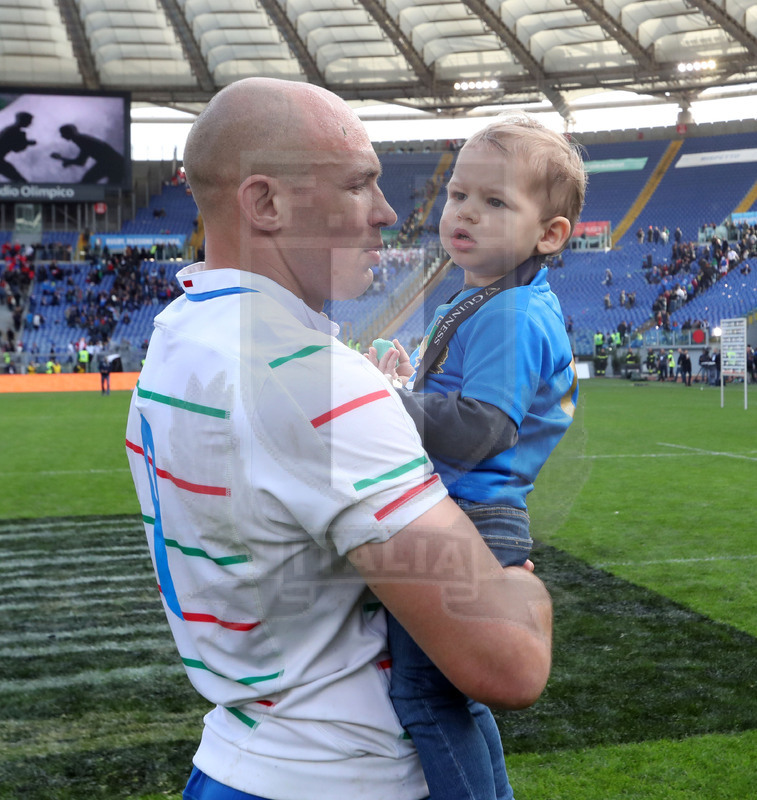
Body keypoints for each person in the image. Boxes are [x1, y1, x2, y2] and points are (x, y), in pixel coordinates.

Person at [123, 78, 553, 800]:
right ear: (265, 203)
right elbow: (506, 666)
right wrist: (523, 592)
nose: (388, 213)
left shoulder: (177, 337)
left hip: (236, 760)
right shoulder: (317, 383)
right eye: (359, 184)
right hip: (348, 779)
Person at [367, 113, 584, 800]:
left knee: (426, 693)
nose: (464, 213)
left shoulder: (510, 312)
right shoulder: (486, 295)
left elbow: (482, 427)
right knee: (454, 691)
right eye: (458, 194)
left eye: (494, 203)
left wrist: (379, 405)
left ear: (548, 234)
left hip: (472, 512)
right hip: (470, 508)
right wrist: (408, 385)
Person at [54, 124, 125, 184]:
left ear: (68, 133)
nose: (62, 136)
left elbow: (80, 162)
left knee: (86, 182)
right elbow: (81, 161)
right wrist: (65, 160)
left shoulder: (81, 140)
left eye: (62, 133)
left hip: (112, 164)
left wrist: (61, 158)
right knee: (88, 182)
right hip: (112, 163)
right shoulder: (82, 139)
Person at [0, 111, 36, 182]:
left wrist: (26, 142)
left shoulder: (10, 129)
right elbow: (16, 149)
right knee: (20, 181)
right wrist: (27, 143)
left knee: (18, 180)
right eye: (29, 121)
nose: (31, 123)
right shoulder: (14, 131)